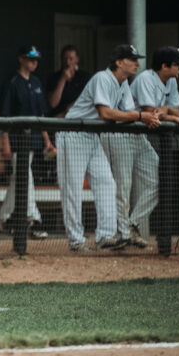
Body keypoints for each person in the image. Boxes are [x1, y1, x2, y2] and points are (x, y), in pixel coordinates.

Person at [56, 44, 160, 252]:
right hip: (73, 133)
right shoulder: (102, 78)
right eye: (132, 60)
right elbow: (105, 113)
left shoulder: (123, 84)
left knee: (107, 184)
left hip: (93, 135)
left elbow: (128, 114)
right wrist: (141, 115)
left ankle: (105, 235)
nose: (137, 64)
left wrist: (149, 116)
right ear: (119, 62)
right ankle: (76, 241)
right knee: (73, 189)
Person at [130, 46, 179, 254]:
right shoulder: (146, 79)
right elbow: (150, 112)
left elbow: (175, 110)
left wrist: (166, 111)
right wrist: (170, 115)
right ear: (164, 66)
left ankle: (132, 225)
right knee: (120, 186)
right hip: (122, 133)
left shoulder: (171, 81)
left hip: (139, 138)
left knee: (159, 180)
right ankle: (116, 234)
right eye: (177, 65)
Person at [0, 45, 53, 239]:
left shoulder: (36, 82)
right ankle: (33, 218)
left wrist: (47, 140)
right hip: (16, 140)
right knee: (25, 176)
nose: (34, 62)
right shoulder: (12, 82)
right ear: (21, 59)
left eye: (36, 60)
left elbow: (41, 114)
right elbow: (4, 115)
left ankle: (4, 218)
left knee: (18, 178)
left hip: (33, 139)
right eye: (30, 59)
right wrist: (5, 142)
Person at [46, 45, 91, 118]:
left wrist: (74, 106)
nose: (67, 63)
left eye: (71, 59)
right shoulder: (53, 77)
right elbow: (53, 104)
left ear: (77, 60)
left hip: (79, 116)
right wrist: (63, 79)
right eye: (65, 59)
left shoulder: (84, 77)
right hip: (57, 118)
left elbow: (90, 99)